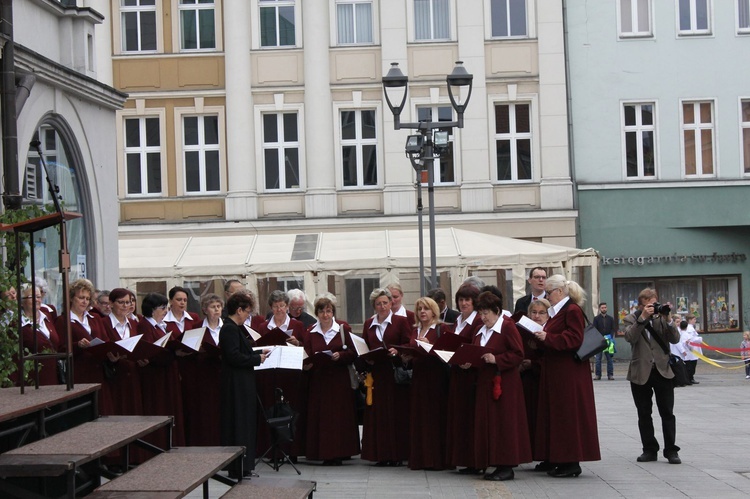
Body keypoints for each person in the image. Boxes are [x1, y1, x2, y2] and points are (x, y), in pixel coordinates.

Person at [533, 275, 600, 477]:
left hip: (569, 373)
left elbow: (574, 338)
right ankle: (560, 458)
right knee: (559, 415)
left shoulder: (571, 310)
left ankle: (571, 462)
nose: (547, 296)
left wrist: (548, 337)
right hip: (559, 372)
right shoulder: (560, 311)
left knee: (568, 416)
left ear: (559, 292)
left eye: (549, 292)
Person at [472, 291, 530, 481]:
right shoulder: (481, 329)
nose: (483, 317)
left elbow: (518, 353)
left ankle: (506, 465)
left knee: (504, 424)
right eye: (480, 313)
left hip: (504, 384)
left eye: (486, 313)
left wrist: (496, 359)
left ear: (497, 311)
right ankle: (492, 461)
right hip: (485, 384)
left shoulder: (507, 326)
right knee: (490, 424)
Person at [623, 287, 682, 465]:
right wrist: (642, 319)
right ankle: (649, 450)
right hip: (640, 372)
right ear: (641, 305)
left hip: (662, 371)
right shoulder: (631, 318)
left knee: (667, 413)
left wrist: (669, 319)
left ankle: (671, 450)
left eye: (655, 304)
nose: (653, 308)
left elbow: (675, 339)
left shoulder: (662, 318)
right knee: (644, 413)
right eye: (649, 305)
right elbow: (630, 337)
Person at [303, 295, 360, 465]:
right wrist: (307, 364)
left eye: (328, 311)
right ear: (317, 313)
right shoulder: (311, 331)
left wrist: (340, 355)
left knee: (339, 416)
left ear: (333, 312)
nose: (325, 315)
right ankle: (323, 452)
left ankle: (341, 452)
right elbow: (306, 352)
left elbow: (353, 352)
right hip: (319, 381)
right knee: (322, 417)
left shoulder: (343, 329)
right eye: (322, 311)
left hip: (339, 380)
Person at [220, 291, 269, 479]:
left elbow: (239, 351)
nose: (248, 315)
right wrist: (257, 358)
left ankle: (244, 465)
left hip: (242, 382)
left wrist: (256, 351)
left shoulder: (234, 328)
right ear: (238, 310)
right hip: (236, 384)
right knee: (239, 423)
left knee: (245, 422)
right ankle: (239, 466)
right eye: (247, 311)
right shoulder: (230, 328)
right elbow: (233, 356)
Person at [360, 287, 412, 467]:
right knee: (378, 415)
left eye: (385, 303)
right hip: (376, 374)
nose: (382, 307)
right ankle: (380, 454)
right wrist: (367, 358)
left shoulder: (400, 321)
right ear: (373, 306)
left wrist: (397, 350)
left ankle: (396, 454)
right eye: (378, 304)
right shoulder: (369, 324)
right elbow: (364, 345)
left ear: (391, 303)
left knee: (395, 413)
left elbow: (408, 343)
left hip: (393, 373)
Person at [257, 290, 308, 460]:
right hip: (271, 373)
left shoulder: (298, 326)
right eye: (275, 306)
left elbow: (306, 349)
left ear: (287, 307)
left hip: (290, 374)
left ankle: (291, 450)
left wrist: (297, 343)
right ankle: (274, 451)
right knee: (271, 410)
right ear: (271, 307)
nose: (279, 310)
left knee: (290, 410)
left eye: (282, 306)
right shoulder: (264, 327)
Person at [403, 297, 450, 470]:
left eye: (426, 309)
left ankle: (437, 460)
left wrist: (429, 346)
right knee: (419, 417)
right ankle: (420, 458)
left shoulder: (441, 328)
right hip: (418, 378)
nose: (422, 312)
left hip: (436, 379)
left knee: (435, 417)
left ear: (434, 311)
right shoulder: (414, 330)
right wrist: (406, 358)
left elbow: (446, 353)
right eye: (419, 309)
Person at [54, 279, 113, 413]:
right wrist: (78, 345)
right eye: (81, 297)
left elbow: (105, 340)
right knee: (83, 412)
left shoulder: (95, 318)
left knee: (102, 410)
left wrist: (111, 354)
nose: (84, 301)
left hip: (98, 371)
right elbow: (60, 348)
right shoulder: (63, 320)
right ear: (71, 298)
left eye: (87, 298)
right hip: (79, 373)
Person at [137, 292, 186, 447]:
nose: (166, 311)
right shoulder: (145, 325)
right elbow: (151, 351)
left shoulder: (160, 325)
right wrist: (173, 352)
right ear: (152, 309)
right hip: (156, 376)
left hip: (166, 372)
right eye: (163, 308)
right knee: (159, 408)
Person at [446, 283, 484, 474]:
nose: (463, 303)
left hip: (471, 375)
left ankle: (473, 461)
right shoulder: (458, 320)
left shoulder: (477, 321)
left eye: (467, 300)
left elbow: (477, 345)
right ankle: (462, 458)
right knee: (459, 417)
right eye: (461, 300)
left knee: (470, 418)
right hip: (457, 373)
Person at [180, 294, 225, 446]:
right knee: (205, 411)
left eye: (219, 306)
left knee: (222, 410)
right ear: (205, 310)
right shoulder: (196, 328)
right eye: (213, 307)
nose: (217, 310)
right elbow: (188, 349)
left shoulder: (228, 327)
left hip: (223, 374)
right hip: (204, 375)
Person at [520, 298, 548, 464]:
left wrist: (534, 363)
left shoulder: (549, 332)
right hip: (526, 381)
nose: (537, 316)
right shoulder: (524, 330)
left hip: (542, 381)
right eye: (534, 312)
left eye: (541, 313)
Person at [20, 284, 61, 385]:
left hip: (53, 375)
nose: (36, 300)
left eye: (38, 296)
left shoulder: (47, 317)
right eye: (31, 297)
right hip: (33, 379)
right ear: (21, 301)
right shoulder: (17, 325)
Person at [593, 302, 617, 380]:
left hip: (608, 340)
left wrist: (610, 336)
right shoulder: (596, 319)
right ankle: (598, 375)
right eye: (602, 308)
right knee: (598, 359)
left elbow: (613, 329)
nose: (604, 309)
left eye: (605, 307)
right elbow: (594, 329)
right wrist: (599, 338)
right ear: (600, 309)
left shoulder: (610, 318)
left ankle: (610, 375)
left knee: (609, 358)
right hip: (599, 341)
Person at [682, 314, 701, 385]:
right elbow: (691, 339)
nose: (695, 321)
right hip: (691, 349)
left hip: (693, 349)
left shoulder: (691, 328)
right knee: (691, 365)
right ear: (689, 320)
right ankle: (690, 378)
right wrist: (698, 339)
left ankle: (690, 378)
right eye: (694, 319)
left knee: (692, 364)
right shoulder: (689, 328)